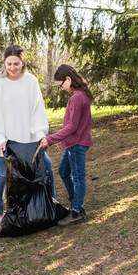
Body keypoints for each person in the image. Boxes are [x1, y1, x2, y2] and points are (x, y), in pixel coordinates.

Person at [0, 44, 56, 227]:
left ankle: (51, 204)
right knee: (2, 173)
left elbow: (37, 109)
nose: (12, 68)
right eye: (9, 64)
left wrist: (40, 133)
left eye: (16, 64)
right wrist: (1, 138)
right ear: (4, 63)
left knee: (46, 165)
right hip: (4, 140)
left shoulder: (31, 81)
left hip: (27, 138)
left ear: (23, 62)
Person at [40, 64, 94, 227]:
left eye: (61, 85)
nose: (62, 88)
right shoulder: (79, 95)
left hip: (77, 143)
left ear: (68, 79)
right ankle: (76, 204)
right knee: (64, 171)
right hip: (73, 143)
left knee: (78, 176)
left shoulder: (78, 97)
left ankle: (77, 211)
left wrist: (50, 139)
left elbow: (72, 127)